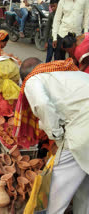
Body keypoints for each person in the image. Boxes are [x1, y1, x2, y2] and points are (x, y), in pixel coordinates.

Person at [14, 57, 89, 213]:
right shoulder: (62, 73)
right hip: (82, 122)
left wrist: (57, 136)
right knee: (84, 180)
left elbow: (41, 103)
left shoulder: (33, 79)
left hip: (83, 128)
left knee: (60, 184)